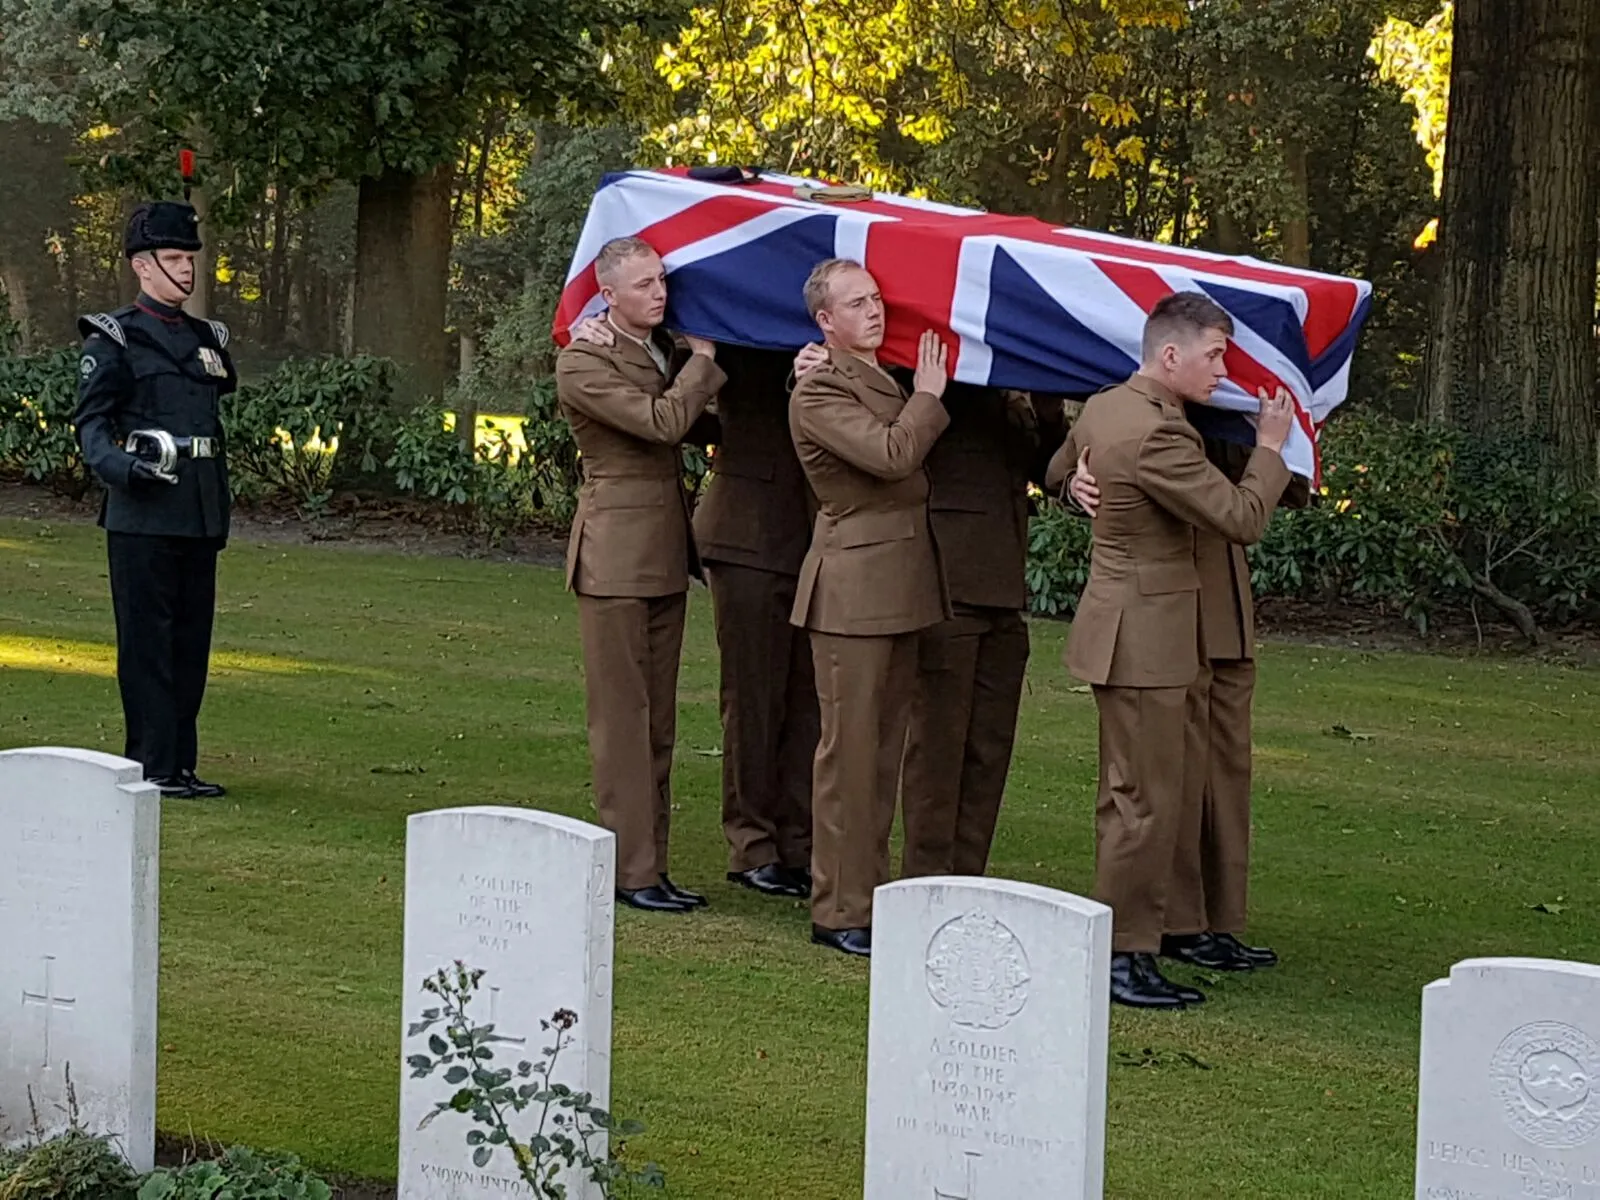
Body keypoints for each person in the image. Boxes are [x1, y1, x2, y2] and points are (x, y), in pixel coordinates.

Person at [1043, 290, 1293, 1010]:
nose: (1224, 369)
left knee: (1149, 795)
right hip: (1143, 635)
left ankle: (1158, 932)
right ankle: (1123, 953)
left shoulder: (1105, 406)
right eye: (1214, 355)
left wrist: (1072, 487)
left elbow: (1062, 468)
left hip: (1140, 627)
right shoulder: (1160, 434)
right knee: (1140, 803)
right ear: (1171, 354)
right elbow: (1240, 518)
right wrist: (1270, 450)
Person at [567, 328, 819, 902]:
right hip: (751, 526)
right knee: (754, 698)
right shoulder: (729, 317)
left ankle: (798, 844)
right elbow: (662, 387)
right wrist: (593, 317)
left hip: (823, 532)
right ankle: (753, 843)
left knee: (809, 704)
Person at [795, 345, 1065, 879]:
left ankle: (966, 877)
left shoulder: (1012, 375)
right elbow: (877, 420)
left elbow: (1044, 464)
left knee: (988, 745)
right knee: (938, 744)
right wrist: (810, 362)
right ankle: (928, 879)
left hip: (1003, 580)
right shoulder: (923, 365)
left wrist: (1049, 392)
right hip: (943, 575)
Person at [1068, 420, 1309, 973]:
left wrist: (1272, 432)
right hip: (1169, 608)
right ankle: (1171, 922)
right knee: (1163, 776)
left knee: (1222, 771)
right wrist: (1071, 484)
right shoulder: (1141, 415)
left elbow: (1293, 488)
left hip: (1220, 599)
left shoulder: (1231, 403)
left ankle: (1212, 920)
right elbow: (1067, 458)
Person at [555, 236, 726, 915]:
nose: (660, 292)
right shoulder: (582, 361)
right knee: (623, 722)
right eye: (646, 284)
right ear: (609, 294)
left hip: (659, 549)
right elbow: (662, 422)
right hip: (616, 555)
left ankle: (650, 863)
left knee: (657, 722)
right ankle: (631, 869)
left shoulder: (658, 351)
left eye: (662, 280)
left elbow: (695, 419)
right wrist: (705, 361)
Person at [788, 258, 952, 957]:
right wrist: (930, 394)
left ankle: (869, 897)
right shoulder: (818, 389)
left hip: (897, 583)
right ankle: (839, 908)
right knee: (849, 757)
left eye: (877, 299)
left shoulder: (871, 375)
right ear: (825, 321)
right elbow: (889, 455)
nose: (875, 312)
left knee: (883, 754)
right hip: (852, 590)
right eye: (857, 304)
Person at [72, 200, 236, 799]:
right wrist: (123, 467)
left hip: (197, 507)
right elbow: (92, 426)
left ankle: (181, 764)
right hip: (141, 511)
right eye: (173, 258)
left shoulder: (205, 338)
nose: (187, 269)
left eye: (190, 257)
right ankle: (150, 765)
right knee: (146, 646)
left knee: (190, 644)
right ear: (142, 267)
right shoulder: (114, 337)